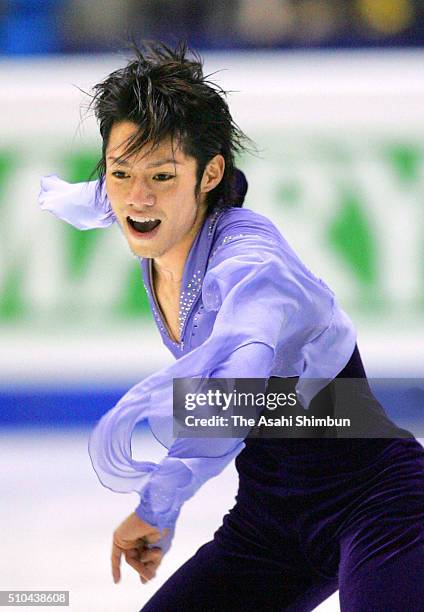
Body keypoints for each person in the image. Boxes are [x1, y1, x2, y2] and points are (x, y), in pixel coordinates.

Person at [39, 42, 424, 611]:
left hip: (379, 508)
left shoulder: (251, 269)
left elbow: (236, 394)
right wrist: (64, 197)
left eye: (162, 176)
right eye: (120, 174)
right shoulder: (147, 206)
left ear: (211, 173)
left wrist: (158, 503)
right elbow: (106, 197)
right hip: (268, 524)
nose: (137, 199)